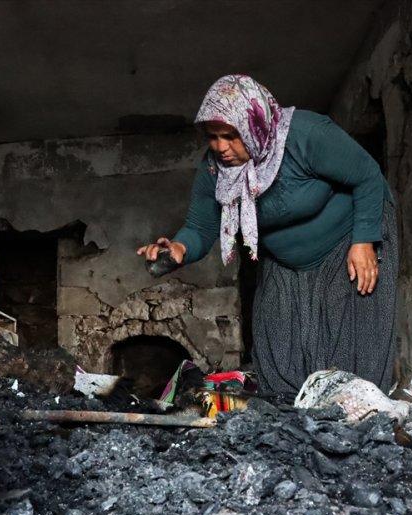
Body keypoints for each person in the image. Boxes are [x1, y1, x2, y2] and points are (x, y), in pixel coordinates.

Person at [138, 74, 398, 398]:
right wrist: (178, 247)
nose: (220, 147)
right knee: (279, 351)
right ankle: (294, 422)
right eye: (213, 137)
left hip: (347, 239)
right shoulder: (214, 171)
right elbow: (202, 227)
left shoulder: (307, 135)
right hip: (284, 260)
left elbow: (367, 175)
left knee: (349, 351)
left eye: (230, 136)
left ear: (254, 124)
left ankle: (355, 421)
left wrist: (365, 240)